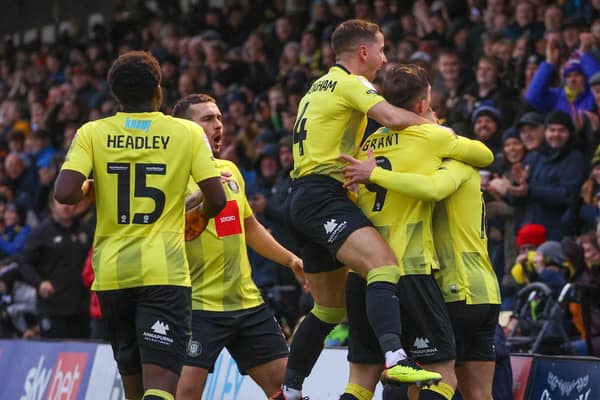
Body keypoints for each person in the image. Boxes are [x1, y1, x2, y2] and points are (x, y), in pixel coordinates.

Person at [278, 19, 441, 400]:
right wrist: (434, 127)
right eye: (382, 50)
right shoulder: (353, 83)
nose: (385, 60)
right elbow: (391, 117)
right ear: (363, 52)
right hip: (322, 196)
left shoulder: (315, 87)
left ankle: (289, 388)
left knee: (328, 309)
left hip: (301, 195)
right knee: (383, 265)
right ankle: (396, 356)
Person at [53, 51, 226, 400]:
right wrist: (201, 216)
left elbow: (65, 193)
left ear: (115, 94)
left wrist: (92, 186)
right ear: (158, 90)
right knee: (160, 388)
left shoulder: (93, 133)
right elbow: (218, 200)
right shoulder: (187, 132)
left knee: (134, 386)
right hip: (165, 274)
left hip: (113, 275)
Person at [339, 64, 495, 400]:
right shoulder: (433, 137)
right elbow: (484, 154)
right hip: (410, 269)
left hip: (363, 273)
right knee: (441, 378)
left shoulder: (369, 144)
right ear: (424, 104)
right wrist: (432, 128)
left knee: (361, 381)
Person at [171, 93, 305, 400]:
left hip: (246, 304)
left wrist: (290, 260)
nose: (218, 124)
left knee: (287, 392)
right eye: (207, 119)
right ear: (185, 129)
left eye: (218, 117)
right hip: (197, 307)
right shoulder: (172, 177)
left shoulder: (229, 171)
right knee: (184, 394)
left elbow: (249, 227)